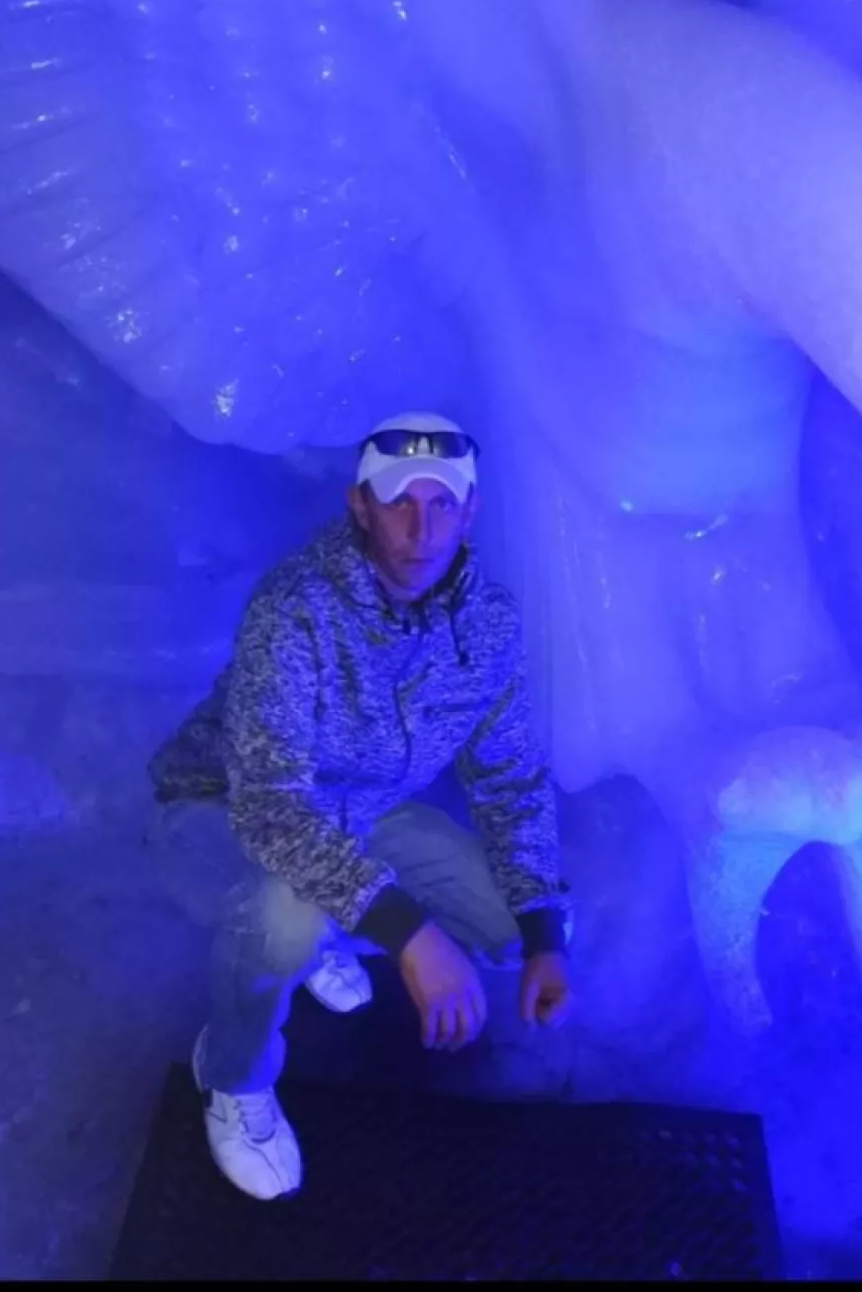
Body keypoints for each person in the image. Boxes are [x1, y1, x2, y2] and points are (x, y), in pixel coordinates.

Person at [148, 412, 574, 1201]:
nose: (421, 527)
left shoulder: (489, 624)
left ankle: (337, 924)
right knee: (286, 917)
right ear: (359, 506)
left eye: (441, 503)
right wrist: (412, 935)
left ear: (470, 511)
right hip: (217, 809)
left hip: (363, 812)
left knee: (517, 925)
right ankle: (233, 1074)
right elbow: (271, 809)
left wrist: (545, 931)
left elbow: (512, 779)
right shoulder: (293, 609)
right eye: (398, 501)